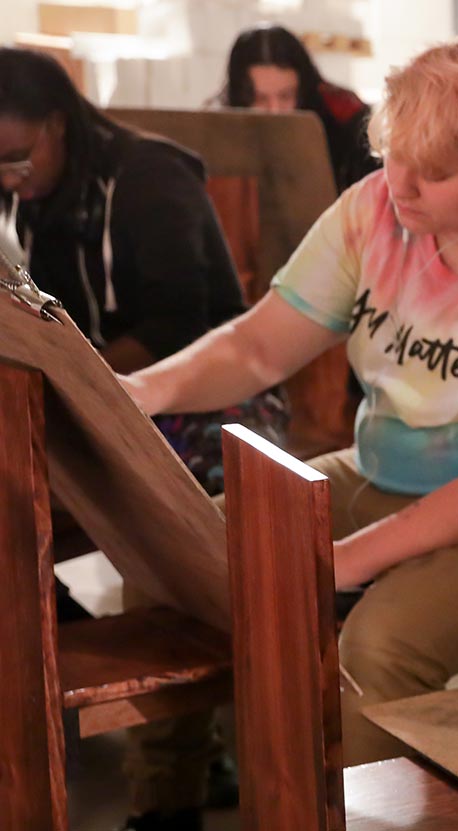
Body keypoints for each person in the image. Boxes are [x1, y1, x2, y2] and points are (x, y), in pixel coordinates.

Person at [117, 31, 458, 830]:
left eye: (435, 173)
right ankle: (169, 801)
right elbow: (256, 344)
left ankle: (365, 819)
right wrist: (136, 389)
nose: (401, 189)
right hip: (395, 466)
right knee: (177, 549)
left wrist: (340, 563)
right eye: (394, 157)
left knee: (378, 648)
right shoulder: (375, 206)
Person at [0, 47, 286, 631]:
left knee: (198, 528)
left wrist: (86, 386)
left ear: (57, 123)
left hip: (201, 388)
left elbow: (176, 324)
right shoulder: (31, 197)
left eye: (18, 160)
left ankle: (208, 683)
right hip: (99, 391)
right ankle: (58, 651)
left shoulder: (150, 177)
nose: (8, 179)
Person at [216, 24, 382, 193]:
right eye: (260, 99)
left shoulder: (344, 116)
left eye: (285, 96)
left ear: (302, 89)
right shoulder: (219, 128)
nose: (275, 110)